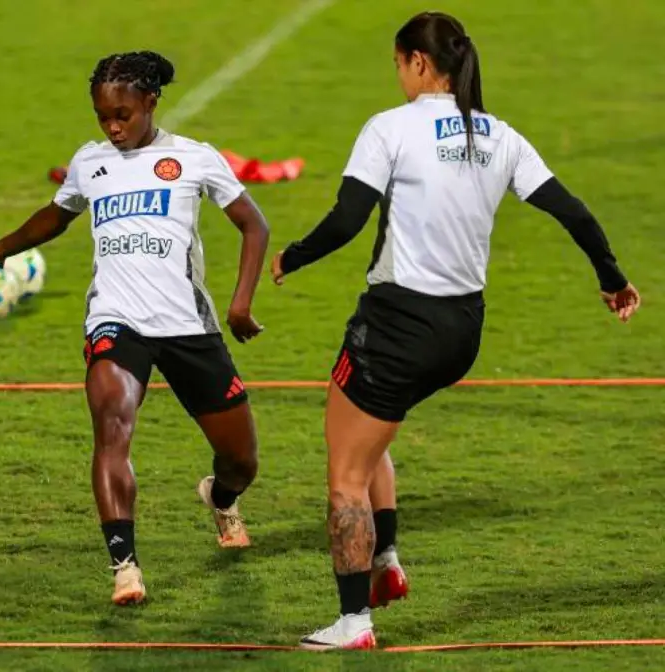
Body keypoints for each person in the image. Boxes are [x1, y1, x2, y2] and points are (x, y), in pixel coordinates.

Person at [270, 12, 641, 651]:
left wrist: (292, 257)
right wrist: (611, 278)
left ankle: (354, 620)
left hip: (396, 324)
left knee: (343, 474)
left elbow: (348, 219)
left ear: (417, 61)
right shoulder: (498, 135)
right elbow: (572, 211)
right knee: (369, 429)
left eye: (398, 64)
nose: (397, 77)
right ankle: (385, 560)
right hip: (461, 331)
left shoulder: (389, 129)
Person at [0, 51, 271, 605]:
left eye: (124, 115)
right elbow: (58, 214)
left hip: (186, 325)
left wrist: (239, 304)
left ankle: (222, 498)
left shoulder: (194, 159)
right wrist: (3, 248)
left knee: (242, 460)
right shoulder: (91, 162)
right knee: (112, 424)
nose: (113, 127)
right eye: (103, 116)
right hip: (116, 319)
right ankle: (125, 567)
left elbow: (254, 224)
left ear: (151, 102)